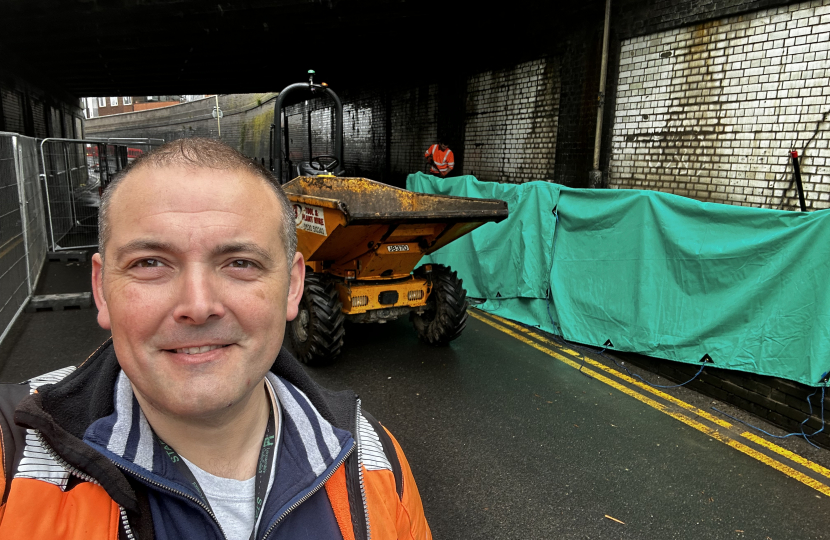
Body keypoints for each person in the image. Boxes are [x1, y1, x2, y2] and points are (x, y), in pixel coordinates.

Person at [0, 138, 432, 540]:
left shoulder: (373, 458)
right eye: (150, 262)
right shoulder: (12, 449)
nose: (199, 304)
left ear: (293, 287)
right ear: (101, 290)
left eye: (240, 263)